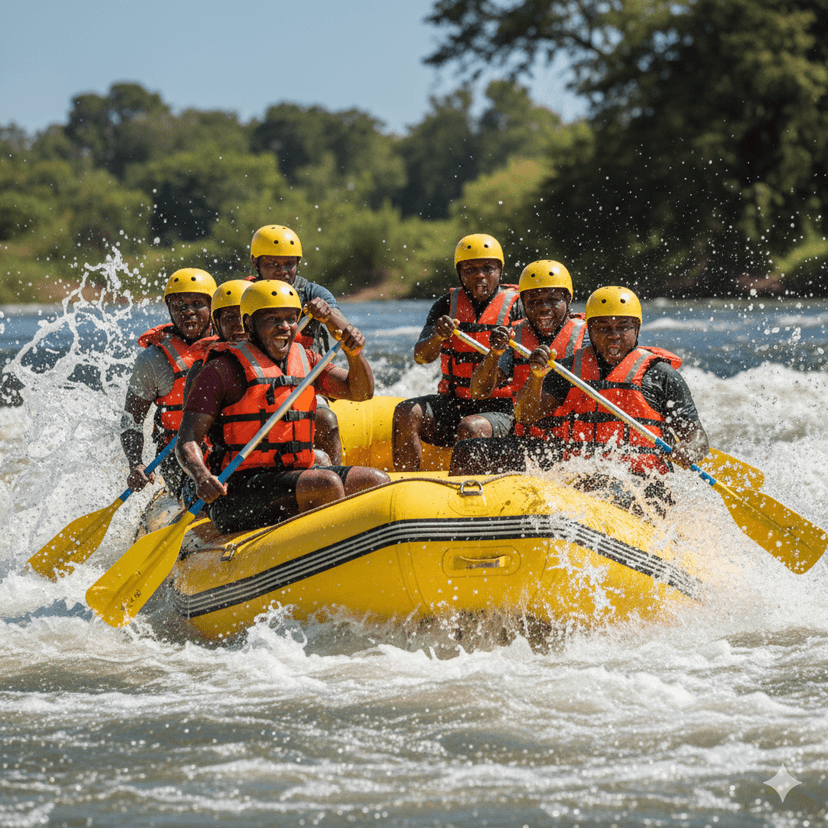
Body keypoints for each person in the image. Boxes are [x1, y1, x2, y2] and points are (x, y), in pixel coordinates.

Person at [451, 286, 709, 515]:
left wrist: (688, 450)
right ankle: (467, 520)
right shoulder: (567, 369)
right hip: (576, 468)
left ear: (637, 328)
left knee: (597, 487)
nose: (614, 335)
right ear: (590, 329)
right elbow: (526, 415)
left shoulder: (661, 375)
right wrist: (538, 376)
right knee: (470, 451)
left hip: (641, 482)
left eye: (623, 327)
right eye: (604, 328)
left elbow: (697, 438)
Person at [176, 281, 390, 534]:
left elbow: (361, 392)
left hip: (293, 475)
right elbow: (187, 440)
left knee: (376, 481)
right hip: (236, 490)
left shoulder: (307, 359)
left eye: (291, 318)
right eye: (272, 319)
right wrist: (201, 476)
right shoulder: (220, 370)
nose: (284, 327)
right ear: (250, 323)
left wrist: (354, 355)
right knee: (326, 483)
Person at [391, 233, 525, 471]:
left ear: (500, 271)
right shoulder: (445, 305)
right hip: (454, 403)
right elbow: (421, 357)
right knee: (406, 411)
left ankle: (459, 494)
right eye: (470, 268)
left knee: (470, 427)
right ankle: (403, 485)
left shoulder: (518, 308)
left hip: (503, 410)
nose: (479, 275)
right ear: (460, 273)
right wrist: (438, 336)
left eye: (487, 267)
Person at [457, 259, 586, 439]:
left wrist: (538, 376)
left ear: (568, 299)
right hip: (526, 431)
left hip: (572, 436)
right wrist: (494, 354)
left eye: (553, 300)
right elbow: (478, 392)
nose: (543, 308)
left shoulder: (587, 337)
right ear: (523, 303)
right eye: (533, 301)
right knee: (470, 428)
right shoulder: (515, 336)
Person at [249, 224, 346, 463]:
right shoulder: (243, 293)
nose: (282, 271)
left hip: (304, 379)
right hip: (253, 378)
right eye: (272, 264)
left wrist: (327, 315)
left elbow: (344, 330)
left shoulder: (313, 292)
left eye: (289, 264)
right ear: (255, 262)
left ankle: (336, 479)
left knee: (326, 420)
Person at [121, 267, 217, 501]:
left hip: (225, 449)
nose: (189, 312)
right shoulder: (153, 360)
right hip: (178, 457)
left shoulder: (232, 346)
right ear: (169, 309)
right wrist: (136, 464)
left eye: (197, 304)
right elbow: (131, 420)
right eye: (180, 306)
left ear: (213, 307)